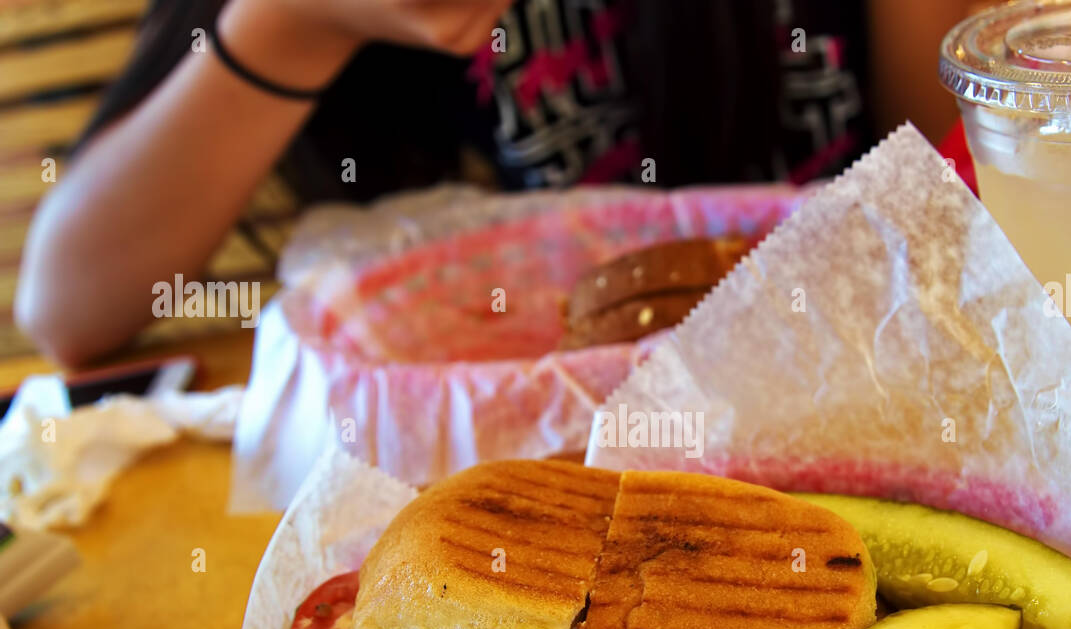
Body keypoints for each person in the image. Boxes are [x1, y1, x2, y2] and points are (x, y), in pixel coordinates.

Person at [15, 0, 969, 366]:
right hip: (544, 438)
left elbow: (956, 200)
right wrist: (297, 20)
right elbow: (70, 305)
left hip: (860, 371)